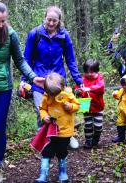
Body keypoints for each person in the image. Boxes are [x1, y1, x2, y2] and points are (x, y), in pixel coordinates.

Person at [0, 2, 45, 182]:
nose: (1, 25)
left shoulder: (10, 35)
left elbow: (20, 60)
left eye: (3, 21)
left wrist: (32, 77)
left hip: (3, 87)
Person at [20, 7, 82, 144]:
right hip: (39, 80)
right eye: (49, 20)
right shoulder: (34, 34)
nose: (51, 23)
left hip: (58, 80)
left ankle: (66, 135)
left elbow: (70, 60)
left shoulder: (64, 36)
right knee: (41, 110)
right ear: (45, 18)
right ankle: (43, 139)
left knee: (62, 108)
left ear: (59, 20)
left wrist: (78, 80)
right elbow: (27, 59)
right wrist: (23, 80)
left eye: (54, 20)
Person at [35, 73, 80, 183]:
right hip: (50, 131)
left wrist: (70, 106)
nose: (53, 96)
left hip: (65, 131)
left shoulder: (68, 94)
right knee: (46, 151)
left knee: (62, 151)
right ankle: (43, 174)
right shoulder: (47, 96)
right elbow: (42, 109)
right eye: (51, 94)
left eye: (56, 93)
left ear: (63, 86)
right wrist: (44, 116)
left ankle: (62, 172)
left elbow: (77, 106)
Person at [76, 59, 105, 149]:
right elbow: (77, 87)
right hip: (85, 105)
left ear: (96, 71)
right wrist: (78, 90)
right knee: (88, 125)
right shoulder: (83, 79)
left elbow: (101, 87)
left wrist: (90, 88)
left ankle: (95, 139)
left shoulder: (99, 78)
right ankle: (88, 141)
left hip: (98, 106)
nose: (89, 74)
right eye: (87, 72)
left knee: (98, 126)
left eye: (91, 72)